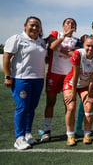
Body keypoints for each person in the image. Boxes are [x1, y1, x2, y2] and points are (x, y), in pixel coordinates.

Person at [3, 16, 47, 150]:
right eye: (32, 25)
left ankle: (28, 134)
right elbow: (6, 57)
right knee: (22, 108)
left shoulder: (41, 42)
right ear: (25, 25)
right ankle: (19, 138)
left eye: (37, 26)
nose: (34, 28)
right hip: (22, 79)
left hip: (38, 78)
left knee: (31, 108)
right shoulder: (17, 39)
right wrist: (7, 75)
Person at [40, 18, 81, 142]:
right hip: (54, 73)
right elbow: (52, 46)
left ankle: (70, 131)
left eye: (73, 24)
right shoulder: (55, 34)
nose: (70, 25)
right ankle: (47, 131)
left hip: (69, 75)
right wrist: (63, 37)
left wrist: (61, 50)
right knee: (50, 102)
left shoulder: (77, 40)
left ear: (75, 28)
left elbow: (74, 55)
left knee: (69, 104)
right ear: (63, 25)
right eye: (68, 23)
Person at [63, 36, 93, 146]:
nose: (90, 48)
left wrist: (89, 94)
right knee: (71, 107)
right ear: (84, 45)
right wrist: (72, 92)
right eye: (88, 46)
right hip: (71, 83)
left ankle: (87, 134)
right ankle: (70, 135)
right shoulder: (78, 54)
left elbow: (92, 79)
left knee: (89, 105)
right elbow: (75, 75)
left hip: (85, 85)